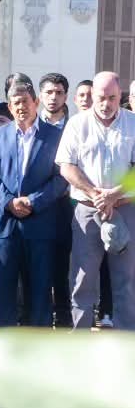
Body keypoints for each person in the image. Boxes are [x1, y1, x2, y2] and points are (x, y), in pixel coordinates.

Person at [0, 80, 67, 331]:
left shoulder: (55, 136)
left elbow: (61, 177)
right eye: (16, 103)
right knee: (5, 291)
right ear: (9, 107)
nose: (21, 107)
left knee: (40, 289)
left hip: (40, 223)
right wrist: (9, 201)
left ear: (36, 103)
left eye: (25, 102)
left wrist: (33, 201)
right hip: (5, 224)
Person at [55, 72, 135, 331]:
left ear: (119, 95)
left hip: (126, 209)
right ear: (93, 96)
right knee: (82, 280)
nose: (106, 103)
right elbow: (66, 167)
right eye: (101, 97)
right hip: (88, 212)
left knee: (127, 281)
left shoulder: (133, 123)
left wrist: (114, 194)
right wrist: (95, 194)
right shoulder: (77, 124)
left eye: (112, 98)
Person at [38, 73, 75, 327]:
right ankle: (35, 317)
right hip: (36, 205)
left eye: (59, 93)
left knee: (62, 266)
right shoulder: (31, 126)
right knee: (37, 267)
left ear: (66, 96)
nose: (53, 97)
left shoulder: (75, 126)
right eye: (49, 92)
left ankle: (62, 318)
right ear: (40, 96)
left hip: (64, 205)